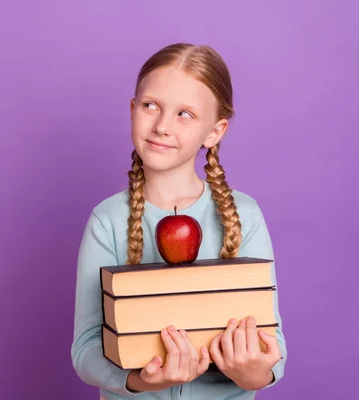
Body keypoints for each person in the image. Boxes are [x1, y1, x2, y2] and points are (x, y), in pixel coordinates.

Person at [70, 43, 287, 399]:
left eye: (184, 114)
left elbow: (274, 347)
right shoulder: (107, 220)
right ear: (132, 110)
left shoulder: (244, 215)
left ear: (214, 132)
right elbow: (86, 349)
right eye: (150, 105)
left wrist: (253, 373)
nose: (162, 126)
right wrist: (143, 381)